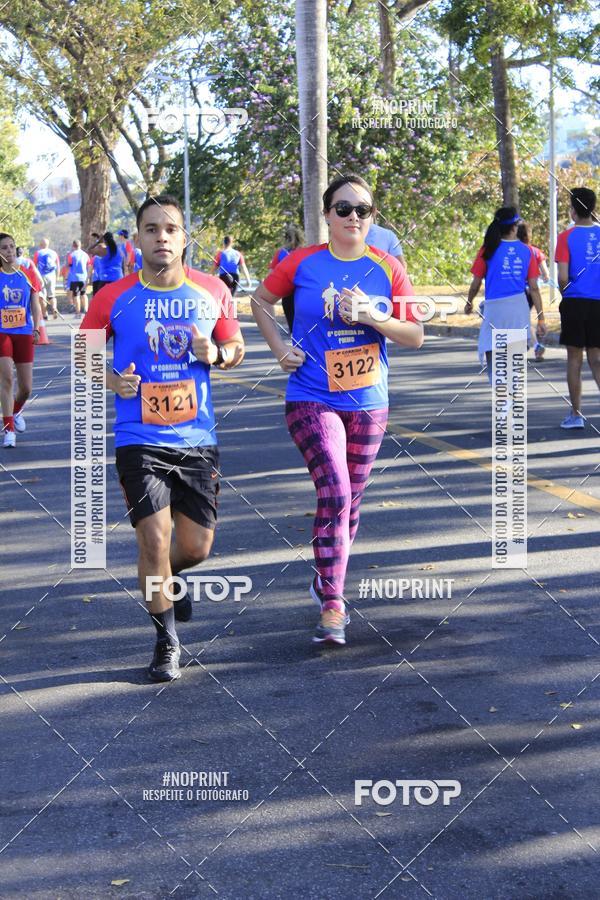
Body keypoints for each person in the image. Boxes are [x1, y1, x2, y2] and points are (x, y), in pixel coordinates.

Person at [252, 174, 423, 647]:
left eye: (362, 210)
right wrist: (279, 347)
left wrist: (373, 315)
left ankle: (327, 576)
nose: (353, 217)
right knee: (335, 488)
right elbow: (260, 302)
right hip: (311, 395)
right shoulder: (301, 263)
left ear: (372, 218)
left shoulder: (387, 266)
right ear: (327, 215)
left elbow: (415, 335)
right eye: (343, 208)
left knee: (351, 501)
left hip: (369, 402)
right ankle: (333, 603)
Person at [81, 194, 245, 682]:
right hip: (138, 437)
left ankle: (168, 580)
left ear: (183, 237)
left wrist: (215, 354)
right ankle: (166, 641)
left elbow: (236, 347)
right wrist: (113, 381)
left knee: (195, 548)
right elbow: (82, 353)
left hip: (196, 437)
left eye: (170, 229)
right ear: (136, 239)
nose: (161, 237)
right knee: (154, 540)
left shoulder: (213, 290)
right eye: (151, 229)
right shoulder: (112, 297)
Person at [465, 207, 546, 383]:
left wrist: (469, 302)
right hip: (518, 308)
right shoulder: (527, 251)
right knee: (514, 361)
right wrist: (541, 318)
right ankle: (511, 399)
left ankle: (502, 401)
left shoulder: (487, 250)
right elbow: (534, 288)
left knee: (493, 357)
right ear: (515, 227)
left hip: (494, 310)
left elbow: (476, 283)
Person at [555, 187, 600, 429]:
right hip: (598, 303)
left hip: (574, 302)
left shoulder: (565, 237)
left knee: (575, 359)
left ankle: (576, 414)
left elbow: (562, 276)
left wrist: (567, 292)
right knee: (597, 358)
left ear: (573, 209)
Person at [0, 232, 42, 447]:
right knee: (6, 379)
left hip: (24, 332)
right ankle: (9, 430)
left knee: (26, 388)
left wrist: (37, 327)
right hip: (2, 333)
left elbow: (35, 303)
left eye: (11, 247)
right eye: (4, 248)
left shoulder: (27, 274)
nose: (9, 251)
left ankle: (15, 412)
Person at [517, 222, 550, 360]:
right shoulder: (536, 252)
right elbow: (546, 274)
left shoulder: (516, 252)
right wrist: (543, 278)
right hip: (533, 291)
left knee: (521, 320)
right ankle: (530, 344)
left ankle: (535, 345)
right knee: (523, 319)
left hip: (519, 291)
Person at [268, 224, 304, 332]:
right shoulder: (304, 252)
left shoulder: (280, 253)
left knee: (290, 312)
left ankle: (294, 334)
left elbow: (271, 272)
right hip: (302, 288)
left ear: (285, 239)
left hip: (287, 288)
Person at [33, 238, 60, 319]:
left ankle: (45, 315)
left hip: (41, 277)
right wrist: (57, 276)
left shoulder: (38, 253)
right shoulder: (54, 253)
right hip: (52, 276)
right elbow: (58, 266)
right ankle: (54, 308)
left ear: (41, 244)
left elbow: (34, 266)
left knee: (42, 296)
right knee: (52, 295)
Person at [65, 240, 90, 317]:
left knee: (76, 295)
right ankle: (86, 310)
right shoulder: (85, 255)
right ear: (80, 245)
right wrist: (88, 277)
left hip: (74, 278)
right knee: (84, 294)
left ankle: (78, 313)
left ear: (73, 245)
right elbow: (89, 265)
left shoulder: (71, 255)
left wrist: (66, 277)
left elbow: (69, 266)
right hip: (84, 278)